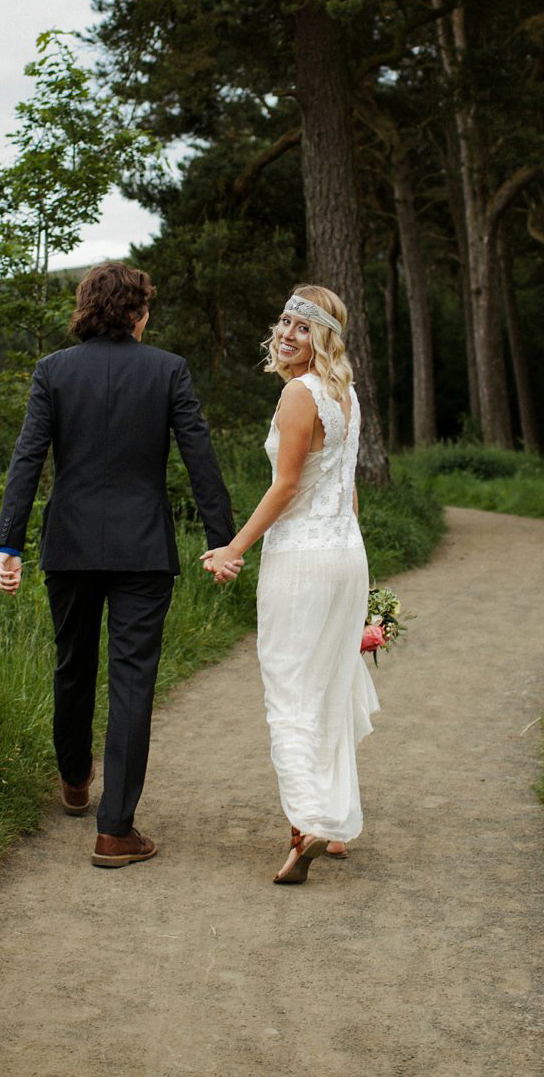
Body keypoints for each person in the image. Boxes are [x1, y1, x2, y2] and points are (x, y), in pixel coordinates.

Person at [0, 261, 237, 868]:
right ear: (138, 312)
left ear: (86, 308)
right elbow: (199, 455)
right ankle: (115, 829)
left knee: (73, 662)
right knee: (132, 681)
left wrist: (10, 543)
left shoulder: (54, 370)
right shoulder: (167, 369)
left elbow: (28, 459)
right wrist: (222, 539)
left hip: (70, 546)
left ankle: (75, 780)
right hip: (143, 550)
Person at [202, 284, 378, 885]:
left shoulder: (298, 395)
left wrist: (233, 547)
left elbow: (284, 488)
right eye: (283, 320)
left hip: (302, 560)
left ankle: (307, 823)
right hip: (345, 554)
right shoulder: (345, 394)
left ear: (323, 337)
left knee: (294, 690)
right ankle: (336, 819)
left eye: (302, 327)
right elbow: (347, 490)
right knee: (330, 683)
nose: (286, 333)